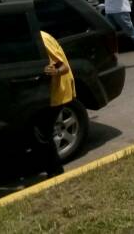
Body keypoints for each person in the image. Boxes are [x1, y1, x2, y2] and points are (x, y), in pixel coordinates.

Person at [35, 31, 76, 178]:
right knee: (42, 130)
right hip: (50, 93)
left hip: (58, 92)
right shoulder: (40, 35)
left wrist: (54, 71)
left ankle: (56, 172)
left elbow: (63, 66)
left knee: (42, 132)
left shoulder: (42, 40)